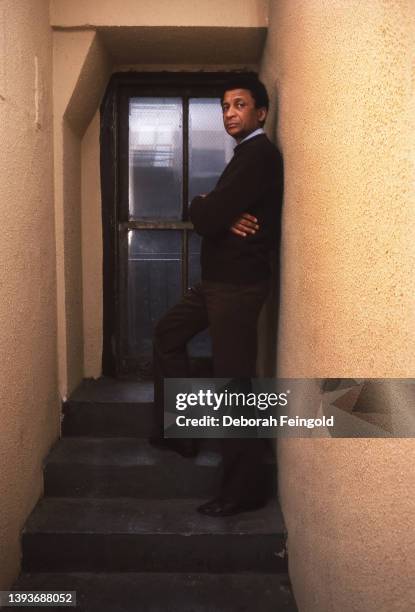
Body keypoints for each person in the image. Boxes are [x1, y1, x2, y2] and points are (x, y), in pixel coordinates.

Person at [150, 75, 284, 517]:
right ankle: (181, 431)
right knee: (168, 333)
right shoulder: (244, 154)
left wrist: (210, 208)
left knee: (234, 385)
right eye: (225, 106)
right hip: (217, 283)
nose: (230, 113)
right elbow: (212, 213)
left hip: (237, 288)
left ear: (260, 113)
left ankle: (243, 490)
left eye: (240, 105)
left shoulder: (259, 155)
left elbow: (207, 217)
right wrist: (213, 208)